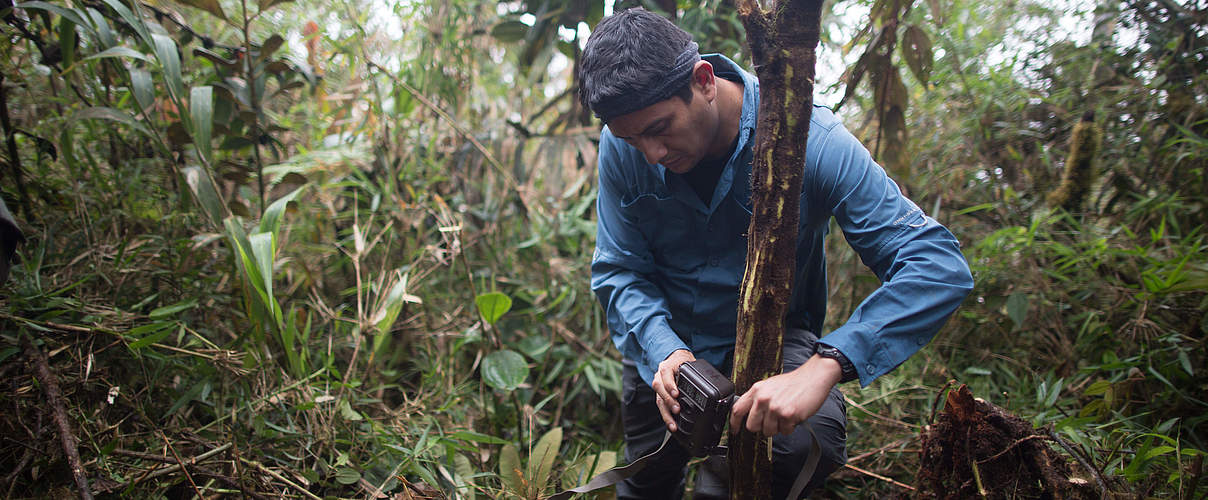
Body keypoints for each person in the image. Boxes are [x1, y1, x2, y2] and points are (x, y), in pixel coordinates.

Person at [580, 8, 974, 500]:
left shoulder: (811, 141)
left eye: (661, 128)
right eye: (631, 138)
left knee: (789, 450)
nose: (651, 154)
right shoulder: (626, 148)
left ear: (703, 81)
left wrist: (826, 365)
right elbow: (619, 271)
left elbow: (937, 264)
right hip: (667, 353)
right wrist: (667, 351)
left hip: (772, 342)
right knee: (646, 481)